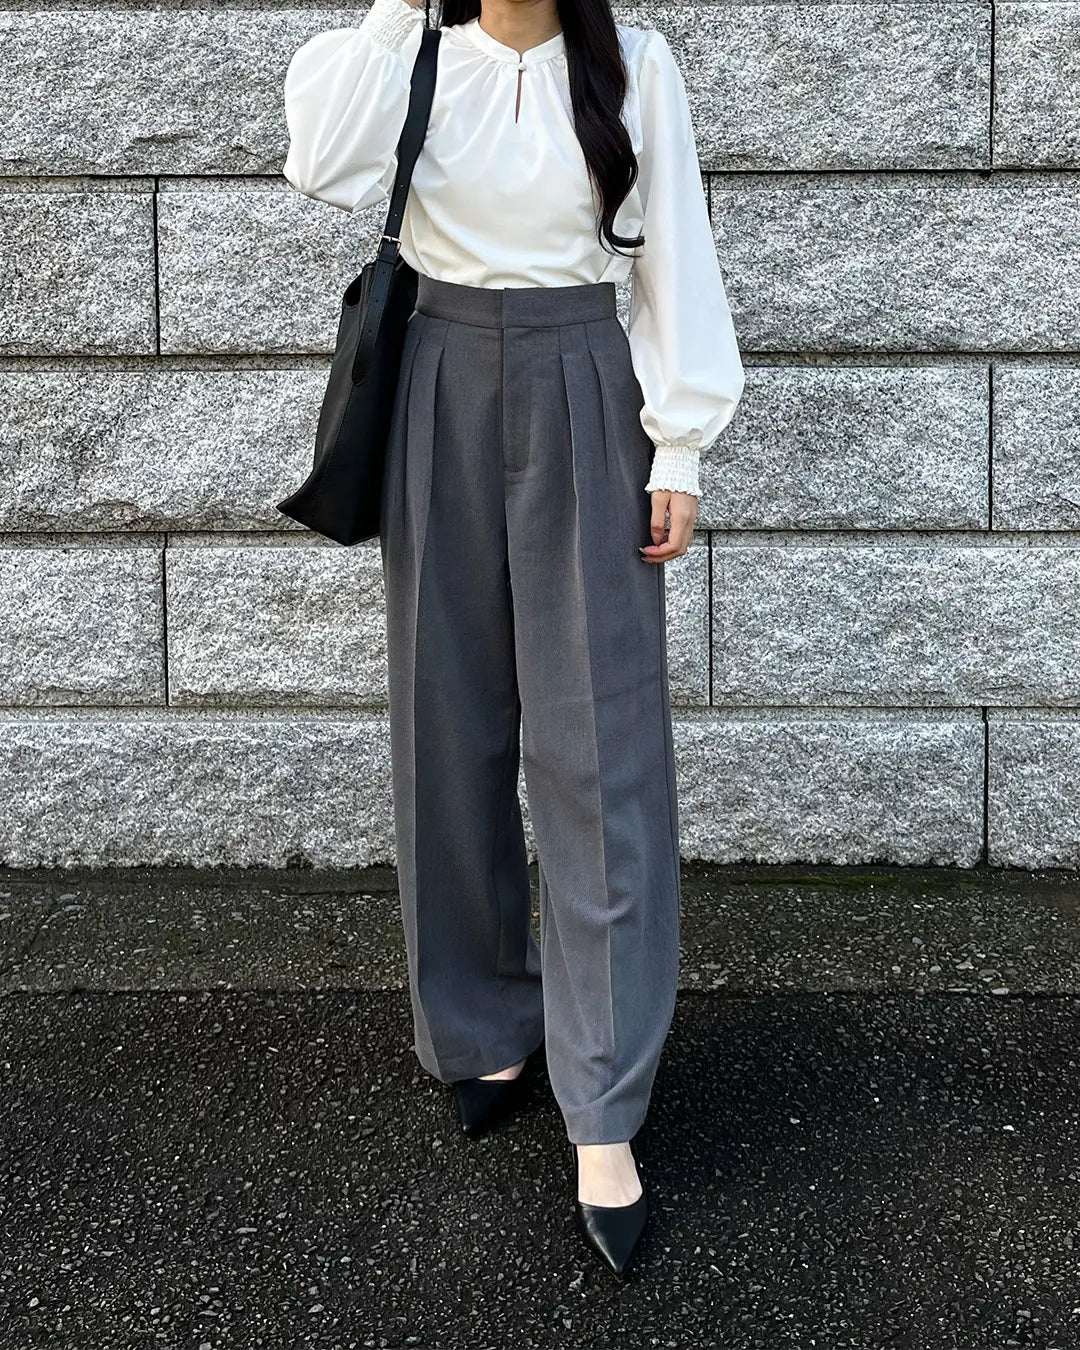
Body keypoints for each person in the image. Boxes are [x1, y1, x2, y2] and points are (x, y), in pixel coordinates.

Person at [281, 0, 744, 1277]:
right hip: (437, 375)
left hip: (584, 376)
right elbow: (320, 162)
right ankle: (482, 1024)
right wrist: (397, 12)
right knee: (449, 722)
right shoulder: (414, 58)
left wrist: (680, 447)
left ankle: (605, 1100)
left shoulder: (633, 66)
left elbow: (675, 251)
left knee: (600, 747)